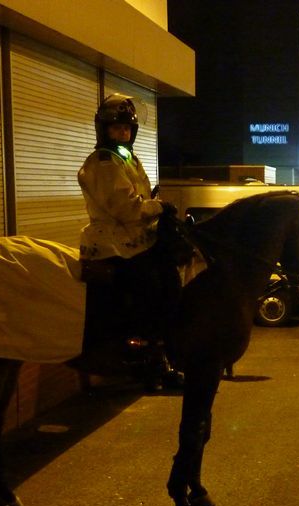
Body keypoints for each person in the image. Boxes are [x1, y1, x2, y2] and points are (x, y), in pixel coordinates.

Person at [77, 93, 179, 348]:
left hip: (133, 238)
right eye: (116, 128)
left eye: (126, 129)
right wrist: (159, 207)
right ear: (104, 130)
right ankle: (138, 342)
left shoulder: (127, 158)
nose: (122, 133)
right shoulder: (103, 162)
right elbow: (127, 208)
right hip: (113, 243)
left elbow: (141, 196)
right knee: (149, 284)